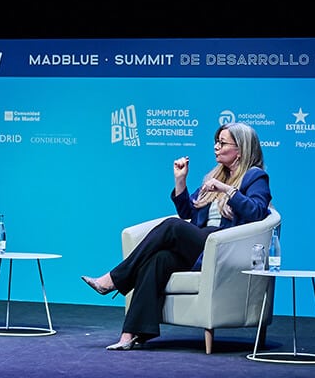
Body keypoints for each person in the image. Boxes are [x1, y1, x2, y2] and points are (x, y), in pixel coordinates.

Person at [81, 121, 272, 350]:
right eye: (216, 142)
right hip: (200, 245)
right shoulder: (215, 175)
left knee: (171, 226)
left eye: (222, 143)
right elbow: (187, 213)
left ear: (240, 149)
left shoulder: (255, 177)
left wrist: (226, 190)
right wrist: (180, 180)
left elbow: (257, 212)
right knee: (157, 260)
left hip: (223, 248)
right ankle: (130, 334)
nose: (216, 147)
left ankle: (114, 279)